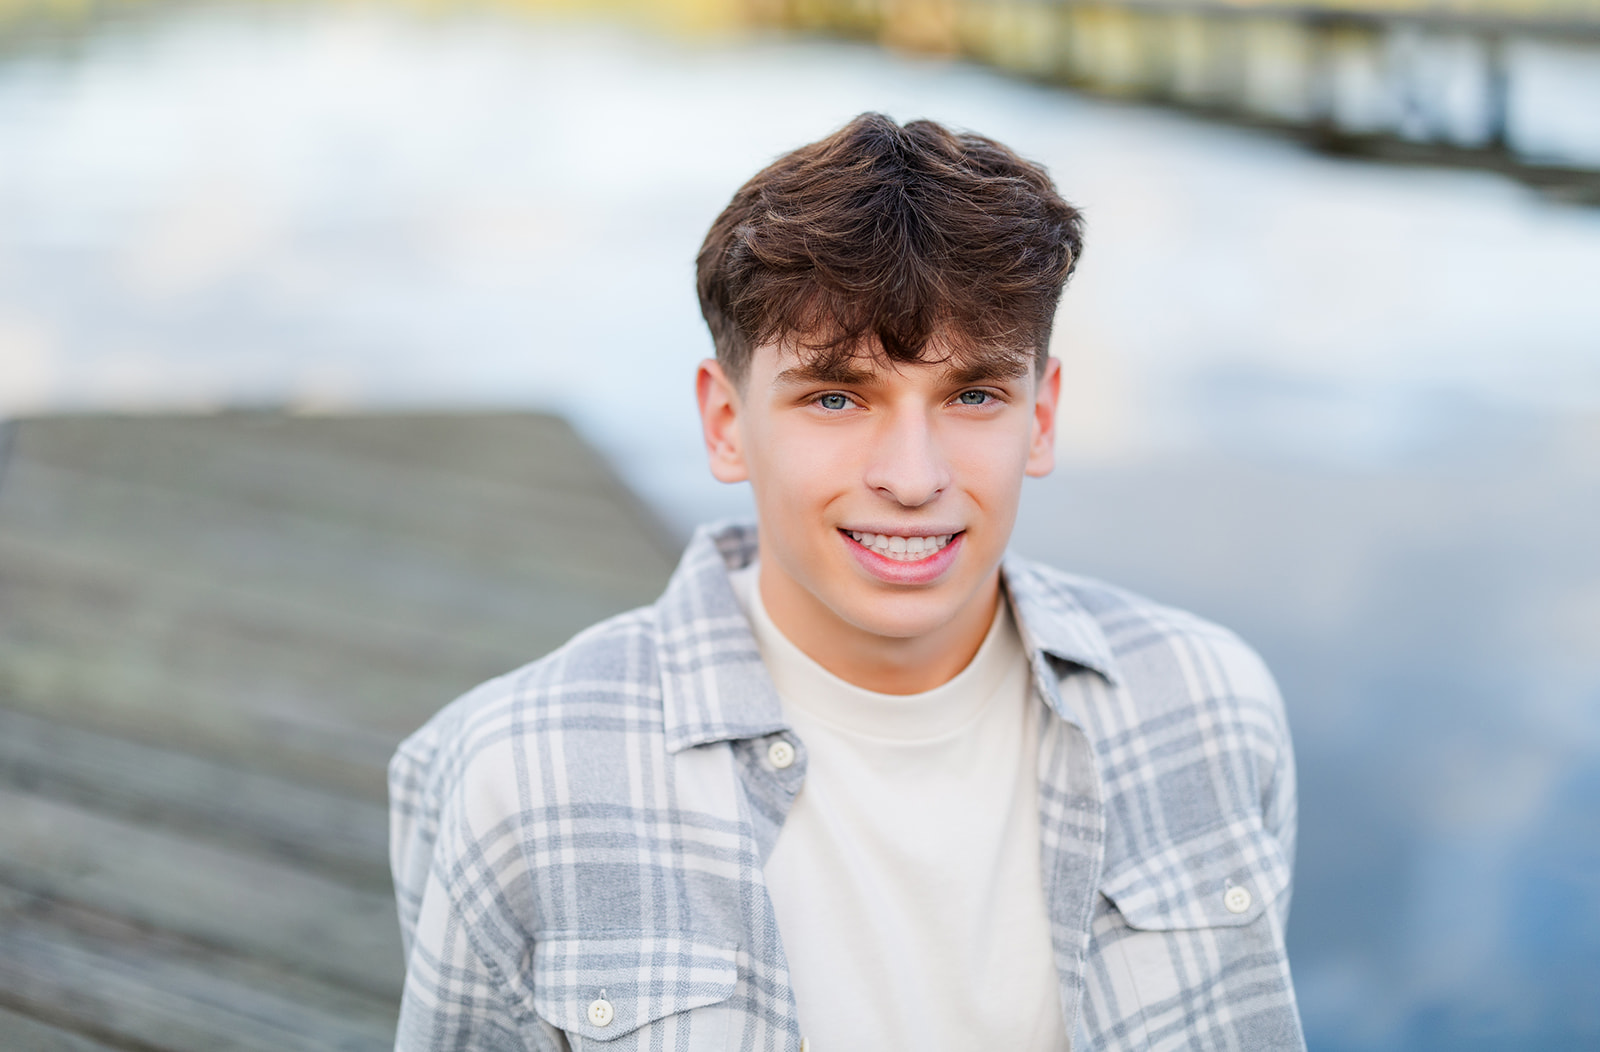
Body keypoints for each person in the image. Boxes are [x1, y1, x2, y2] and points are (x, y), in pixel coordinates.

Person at [388, 113, 1303, 1051]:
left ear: (1043, 416)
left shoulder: (1208, 707)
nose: (912, 478)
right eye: (835, 397)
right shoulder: (515, 776)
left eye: (974, 395)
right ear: (726, 423)